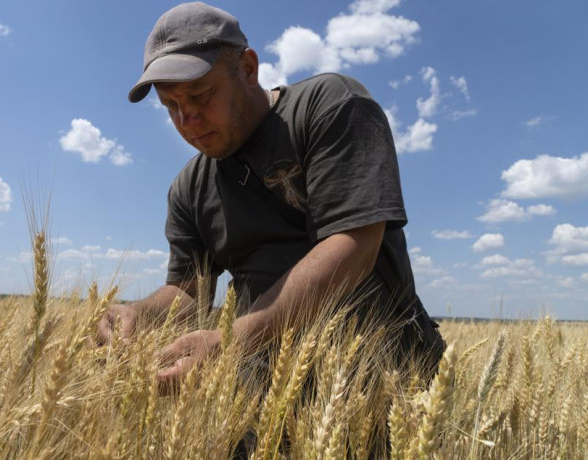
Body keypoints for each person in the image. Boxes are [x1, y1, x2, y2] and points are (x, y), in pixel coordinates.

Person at [99, 2, 444, 392]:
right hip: (265, 402)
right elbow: (189, 292)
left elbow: (355, 245)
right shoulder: (188, 189)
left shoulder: (328, 107)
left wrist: (232, 340)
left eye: (200, 94)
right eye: (171, 106)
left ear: (247, 68)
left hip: (385, 382)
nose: (186, 119)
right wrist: (138, 314)